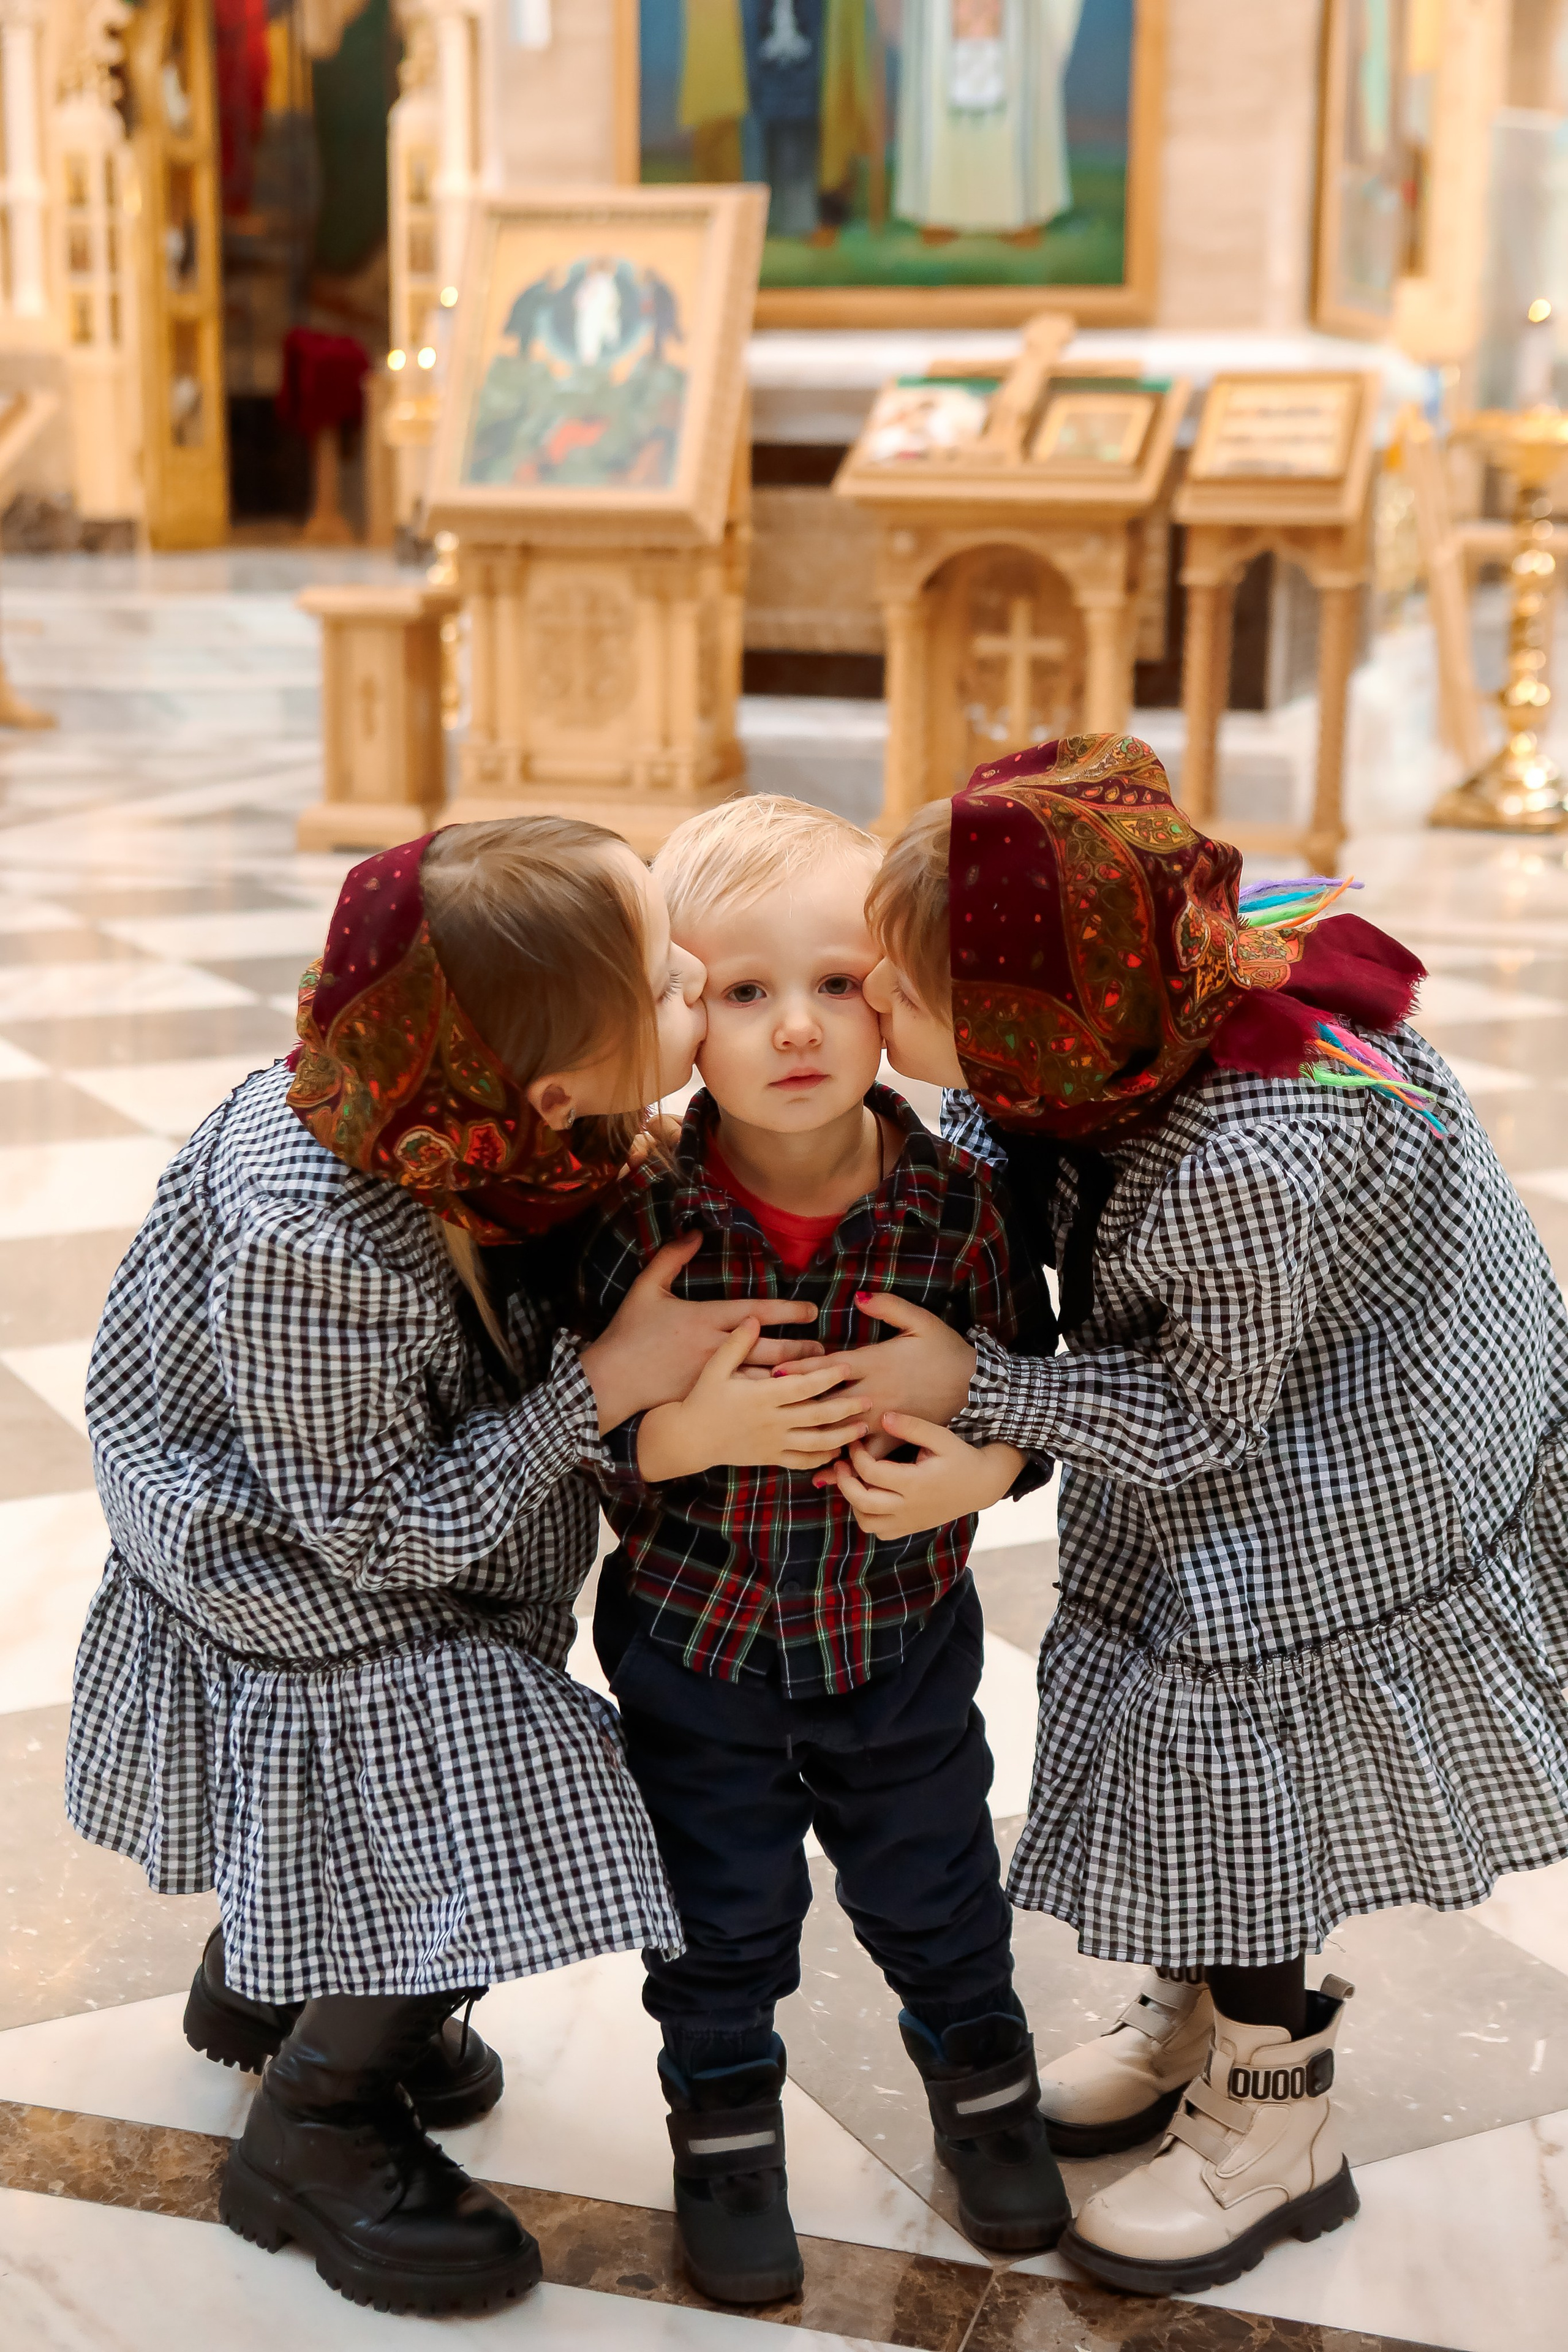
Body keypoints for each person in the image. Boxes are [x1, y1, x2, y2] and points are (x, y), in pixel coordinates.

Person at [818, 733, 1568, 2299]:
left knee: (1226, 1720)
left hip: (1362, 1438)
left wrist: (990, 1397)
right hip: (1279, 1381)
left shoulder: (1238, 1152)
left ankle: (1273, 2107)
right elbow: (1006, 1147)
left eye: (897, 987)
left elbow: (1193, 1415)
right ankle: (1200, 2006)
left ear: (1028, 1022)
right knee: (1181, 1733)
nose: (866, 1005)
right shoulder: (1121, 1008)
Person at [66, 816, 839, 2319]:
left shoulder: (449, 1104)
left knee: (456, 1736)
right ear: (550, 1085)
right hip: (296, 1574)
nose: (702, 974)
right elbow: (372, 1529)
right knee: (508, 1780)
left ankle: (282, 1973)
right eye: (676, 983)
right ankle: (317, 2126)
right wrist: (601, 1384)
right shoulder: (319, 1231)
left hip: (379, 1542)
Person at [577, 795, 1068, 2307]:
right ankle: (724, 2137)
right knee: (716, 1911)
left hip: (897, 1630)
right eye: (740, 991)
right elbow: (571, 1421)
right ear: (678, 1014)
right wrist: (678, 1436)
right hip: (690, 1640)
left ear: (894, 998)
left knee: (935, 1884)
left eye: (838, 983)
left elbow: (1030, 1390)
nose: (796, 1027)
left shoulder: (955, 1207)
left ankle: (982, 2091)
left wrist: (985, 1464)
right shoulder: (634, 1214)